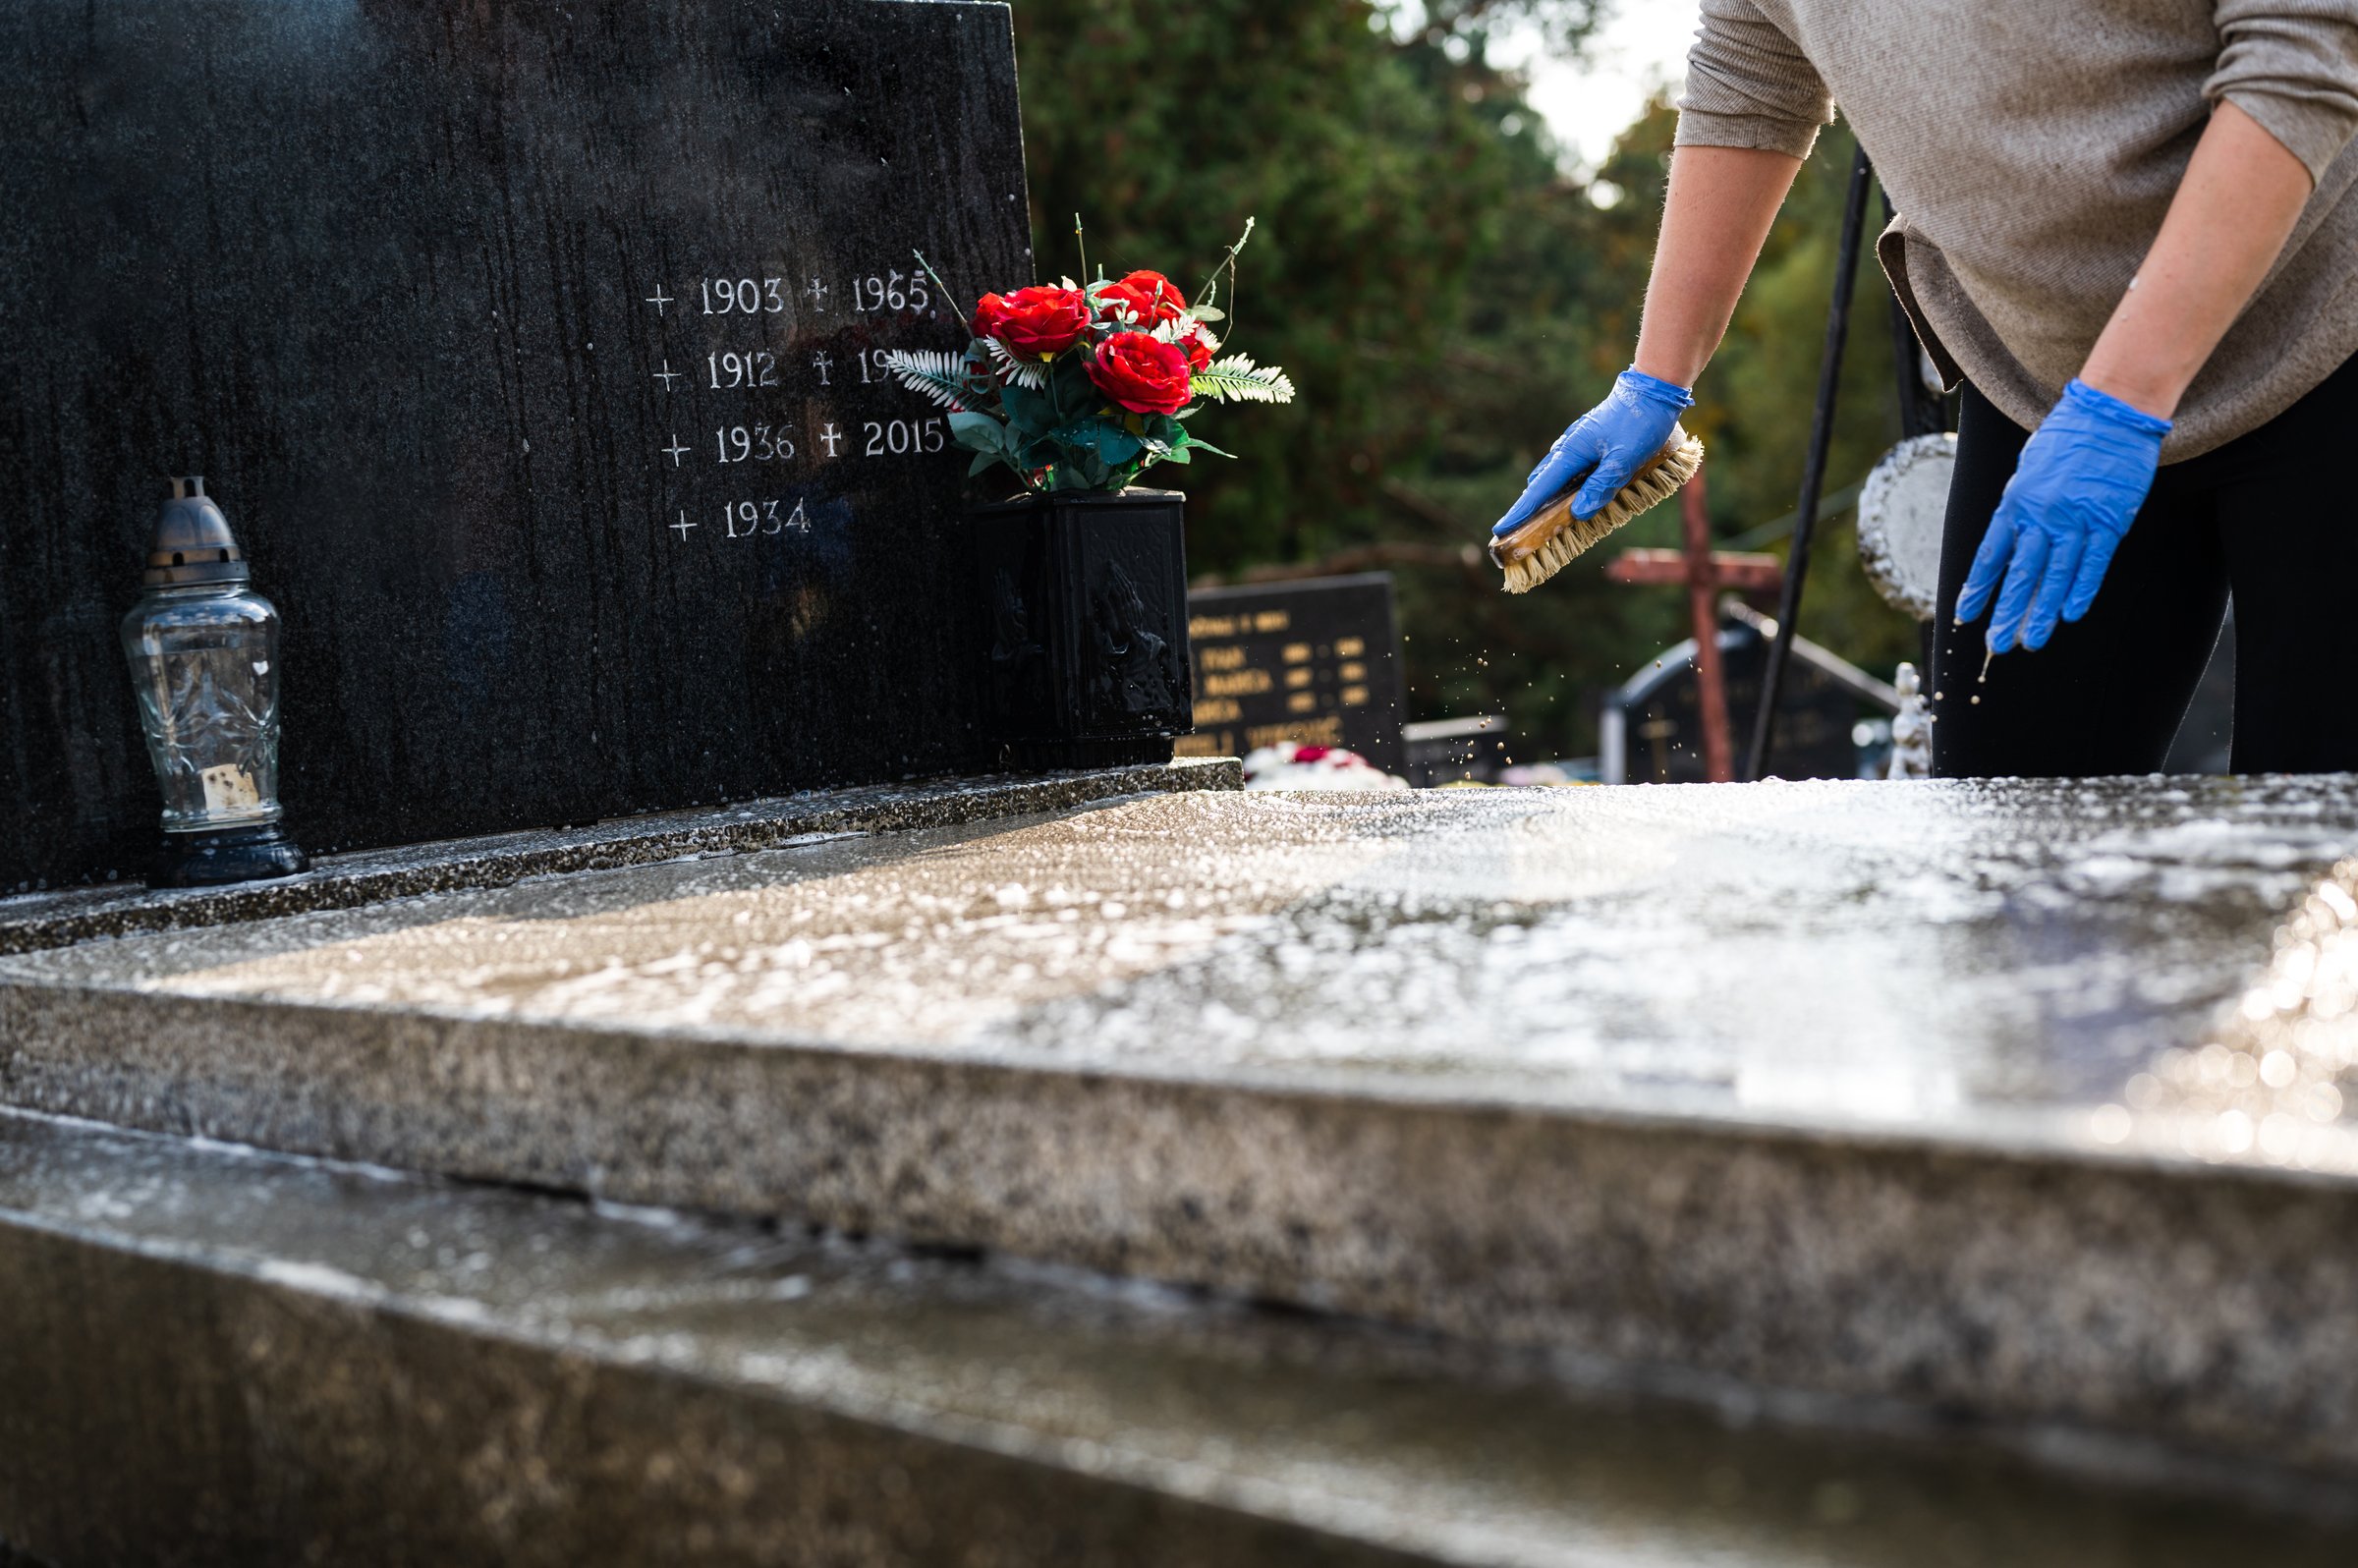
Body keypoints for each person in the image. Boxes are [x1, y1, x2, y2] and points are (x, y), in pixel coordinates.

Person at [1492, 2, 2358, 778]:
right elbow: (1752, 66)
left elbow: (2303, 52)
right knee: (2006, 841)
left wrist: (2122, 400)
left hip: (2322, 335)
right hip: (2040, 386)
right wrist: (1656, 376)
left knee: (2324, 831)